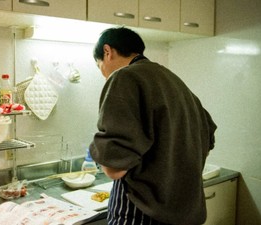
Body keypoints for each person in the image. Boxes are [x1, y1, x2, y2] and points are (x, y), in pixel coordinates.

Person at [89, 27, 217, 225]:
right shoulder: (175, 82)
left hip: (142, 212)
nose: (104, 75)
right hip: (183, 211)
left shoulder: (125, 77)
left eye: (100, 66)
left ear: (108, 52)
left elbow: (114, 167)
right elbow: (208, 136)